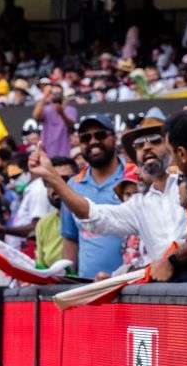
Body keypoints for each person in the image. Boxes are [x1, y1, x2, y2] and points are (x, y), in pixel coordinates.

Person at [30, 117, 187, 280]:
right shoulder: (139, 204)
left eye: (156, 141)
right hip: (163, 292)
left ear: (172, 146)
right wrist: (52, 177)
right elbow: (95, 216)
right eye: (140, 145)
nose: (147, 147)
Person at [60, 115, 130, 280]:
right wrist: (68, 280)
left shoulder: (134, 177)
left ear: (114, 138)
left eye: (100, 135)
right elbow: (71, 239)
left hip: (131, 288)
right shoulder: (72, 185)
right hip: (88, 288)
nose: (93, 142)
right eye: (85, 138)